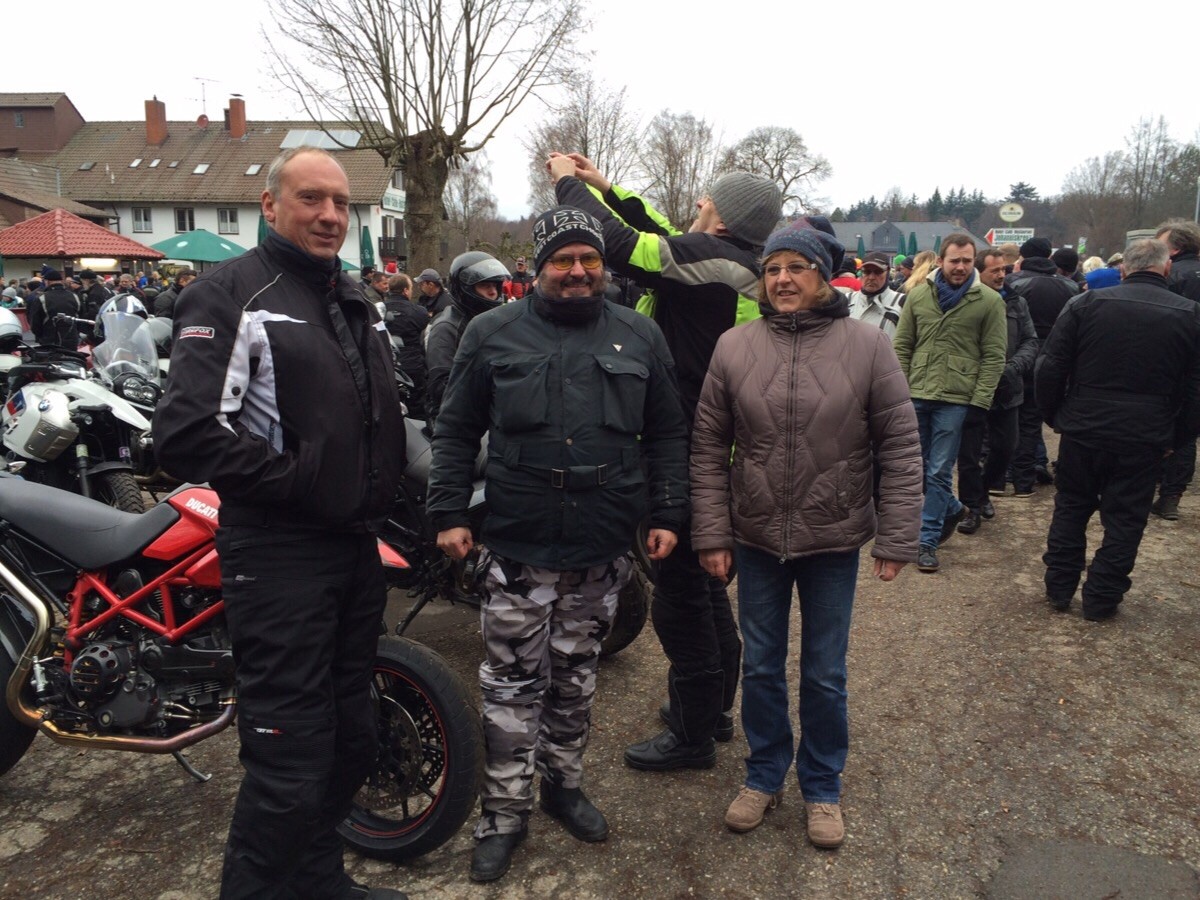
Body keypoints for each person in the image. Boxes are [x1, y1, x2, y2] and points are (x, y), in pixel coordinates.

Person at [152, 146, 408, 900]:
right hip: (279, 553)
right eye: (310, 199)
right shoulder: (231, 294)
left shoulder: (352, 295)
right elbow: (186, 435)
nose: (329, 214)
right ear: (271, 206)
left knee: (351, 742)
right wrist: (300, 482)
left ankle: (319, 881)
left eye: (338, 201)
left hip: (354, 549)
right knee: (289, 760)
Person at [426, 205, 689, 883]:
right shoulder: (491, 334)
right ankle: (504, 814)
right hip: (519, 540)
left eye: (589, 260)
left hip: (603, 542)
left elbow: (666, 434)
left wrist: (668, 511)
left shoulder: (639, 335)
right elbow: (454, 432)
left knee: (574, 678)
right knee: (511, 685)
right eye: (562, 261)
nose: (577, 272)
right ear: (538, 268)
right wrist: (449, 510)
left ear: (602, 265)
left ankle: (563, 787)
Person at [549, 151, 783, 772]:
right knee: (705, 590)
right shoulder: (730, 262)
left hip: (691, 452)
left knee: (681, 594)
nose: (697, 204)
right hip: (717, 450)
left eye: (707, 199)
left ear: (725, 222)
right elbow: (657, 231)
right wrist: (605, 184)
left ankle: (692, 733)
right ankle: (715, 710)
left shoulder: (716, 263)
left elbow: (629, 245)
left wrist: (567, 185)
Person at [690, 221, 921, 848]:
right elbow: (709, 446)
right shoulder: (735, 346)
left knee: (824, 671)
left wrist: (899, 536)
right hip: (757, 536)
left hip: (833, 535)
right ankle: (764, 774)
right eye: (772, 269)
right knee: (762, 665)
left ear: (823, 275)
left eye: (796, 266)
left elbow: (899, 443)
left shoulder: (868, 347)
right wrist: (712, 533)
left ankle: (822, 785)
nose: (782, 279)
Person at [1036, 239, 1200, 620]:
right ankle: (1102, 597)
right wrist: (1176, 437)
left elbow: (1049, 367)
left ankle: (1060, 587)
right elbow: (1195, 391)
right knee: (1126, 519)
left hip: (1086, 426)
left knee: (1072, 508)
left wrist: (1056, 415)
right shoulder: (1190, 315)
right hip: (1145, 434)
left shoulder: (1086, 304)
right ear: (1167, 269)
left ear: (1124, 269)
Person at [893, 234, 1006, 573]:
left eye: (967, 261)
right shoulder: (918, 296)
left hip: (956, 399)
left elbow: (994, 355)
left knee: (940, 470)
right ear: (940, 260)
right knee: (916, 469)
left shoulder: (988, 300)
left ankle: (926, 541)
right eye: (954, 260)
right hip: (916, 393)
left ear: (974, 263)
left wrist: (980, 401)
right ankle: (954, 508)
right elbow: (902, 346)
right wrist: (899, 390)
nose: (960, 267)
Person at [954, 249, 1038, 534]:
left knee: (1005, 449)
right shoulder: (965, 301)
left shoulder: (1017, 303)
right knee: (968, 455)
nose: (1002, 274)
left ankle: (983, 491)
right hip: (970, 390)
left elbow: (1030, 341)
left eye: (1004, 269)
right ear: (979, 272)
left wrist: (1014, 367)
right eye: (995, 270)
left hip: (1007, 390)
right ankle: (972, 507)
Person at [1004, 237, 1080, 495]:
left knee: (1005, 420)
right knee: (1030, 422)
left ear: (1022, 258)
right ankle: (1024, 480)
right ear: (1049, 257)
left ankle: (1004, 474)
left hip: (1015, 359)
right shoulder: (1070, 287)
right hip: (1050, 362)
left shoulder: (1013, 283)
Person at [1149, 221, 1200, 519]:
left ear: (1175, 249)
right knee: (1188, 428)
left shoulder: (1171, 274)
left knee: (1158, 419)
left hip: (1171, 357)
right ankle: (1171, 496)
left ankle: (1148, 485)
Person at [424, 251, 508, 427]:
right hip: (453, 424)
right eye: (485, 285)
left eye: (496, 285)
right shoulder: (446, 328)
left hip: (490, 415)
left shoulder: (488, 321)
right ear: (465, 288)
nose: (493, 292)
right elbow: (442, 388)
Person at [383, 272, 429, 418]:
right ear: (405, 290)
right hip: (413, 366)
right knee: (416, 405)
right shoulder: (419, 311)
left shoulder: (377, 310)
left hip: (387, 364)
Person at [846, 250, 905, 339]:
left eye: (878, 272)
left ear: (888, 272)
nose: (871, 277)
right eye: (867, 271)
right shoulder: (847, 300)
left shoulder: (901, 302)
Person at [27, 266, 81, 348]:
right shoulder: (74, 296)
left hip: (50, 340)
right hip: (71, 339)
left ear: (47, 281)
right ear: (61, 281)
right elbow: (80, 317)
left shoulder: (42, 298)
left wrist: (41, 337)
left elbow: (35, 323)